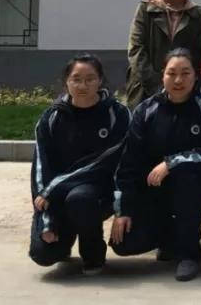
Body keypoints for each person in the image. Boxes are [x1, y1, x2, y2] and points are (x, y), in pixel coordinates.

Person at [110, 48, 201, 281]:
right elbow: (129, 161)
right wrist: (123, 210)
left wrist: (171, 163)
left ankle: (189, 253)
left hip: (195, 184)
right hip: (154, 186)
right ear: (163, 75)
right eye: (172, 73)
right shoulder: (146, 109)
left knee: (186, 179)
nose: (178, 80)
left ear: (196, 75)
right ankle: (169, 240)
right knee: (123, 244)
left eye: (185, 73)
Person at [29, 54, 130, 275]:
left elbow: (104, 162)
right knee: (43, 255)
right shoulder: (51, 118)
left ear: (100, 80)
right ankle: (65, 236)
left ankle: (93, 254)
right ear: (66, 81)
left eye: (90, 79)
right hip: (58, 195)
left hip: (97, 192)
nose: (83, 85)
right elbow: (41, 170)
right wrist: (46, 221)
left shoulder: (118, 114)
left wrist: (54, 188)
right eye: (76, 79)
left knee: (80, 198)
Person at [126, 0, 201, 108]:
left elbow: (198, 55)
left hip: (183, 91)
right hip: (145, 91)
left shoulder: (198, 15)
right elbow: (136, 49)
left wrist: (182, 82)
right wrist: (158, 85)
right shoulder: (146, 10)